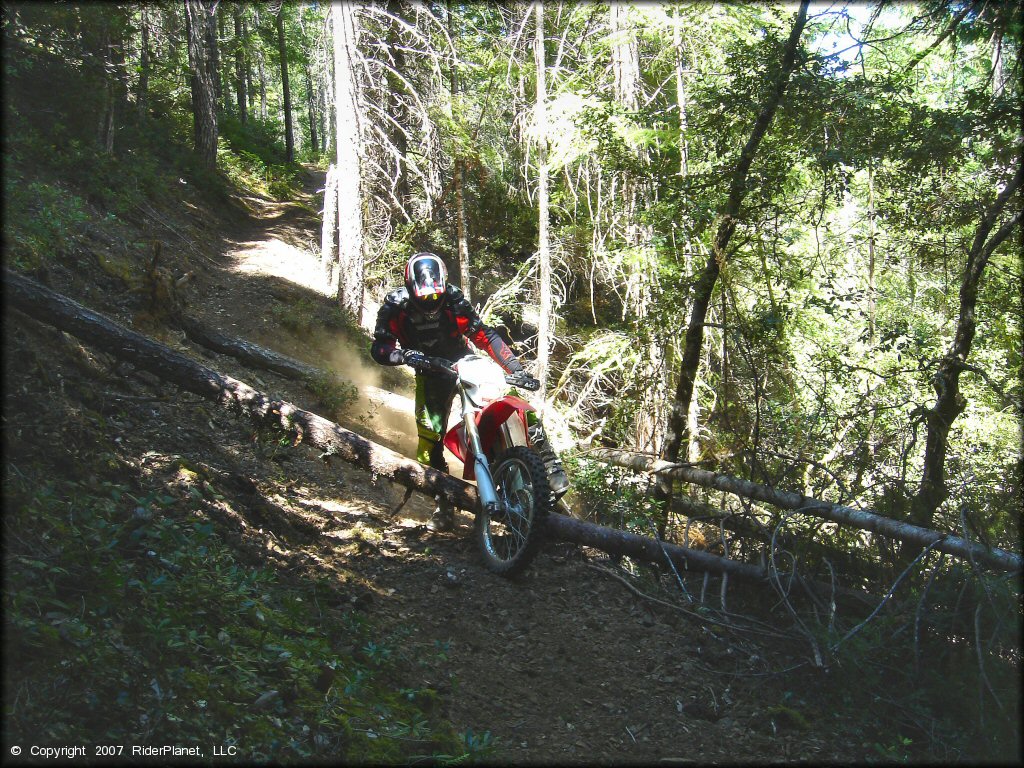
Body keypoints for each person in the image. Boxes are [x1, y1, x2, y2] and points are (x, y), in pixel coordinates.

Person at [370, 252, 568, 531]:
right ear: (411, 287)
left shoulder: (452, 299)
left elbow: (483, 334)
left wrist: (515, 368)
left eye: (434, 296)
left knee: (510, 404)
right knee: (429, 437)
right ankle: (443, 502)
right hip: (429, 370)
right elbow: (380, 347)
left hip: (463, 361)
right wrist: (405, 356)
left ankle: (547, 464)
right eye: (424, 297)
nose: (430, 302)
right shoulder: (396, 306)